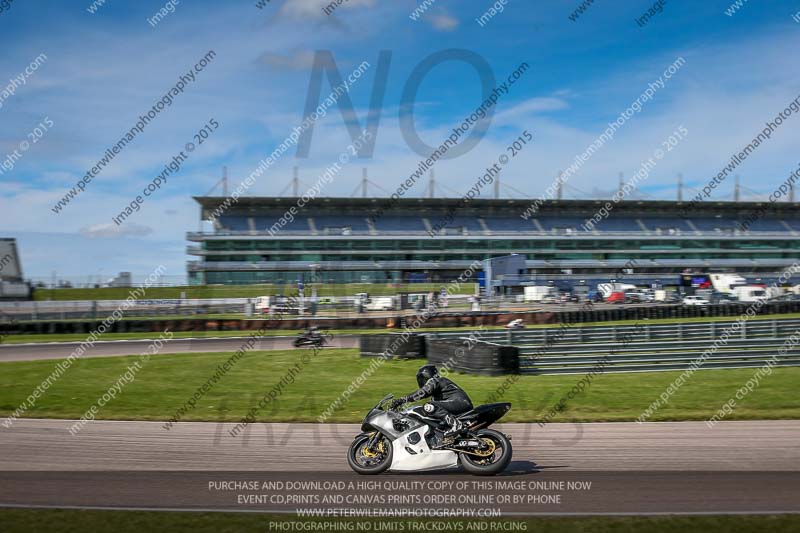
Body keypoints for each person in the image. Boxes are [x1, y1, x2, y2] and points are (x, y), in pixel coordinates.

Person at [391, 365, 473, 439]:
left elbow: (422, 393)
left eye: (421, 379)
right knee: (431, 410)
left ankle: (456, 425)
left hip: (459, 403)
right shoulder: (436, 395)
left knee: (428, 406)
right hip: (459, 404)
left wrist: (402, 400)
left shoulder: (436, 380)